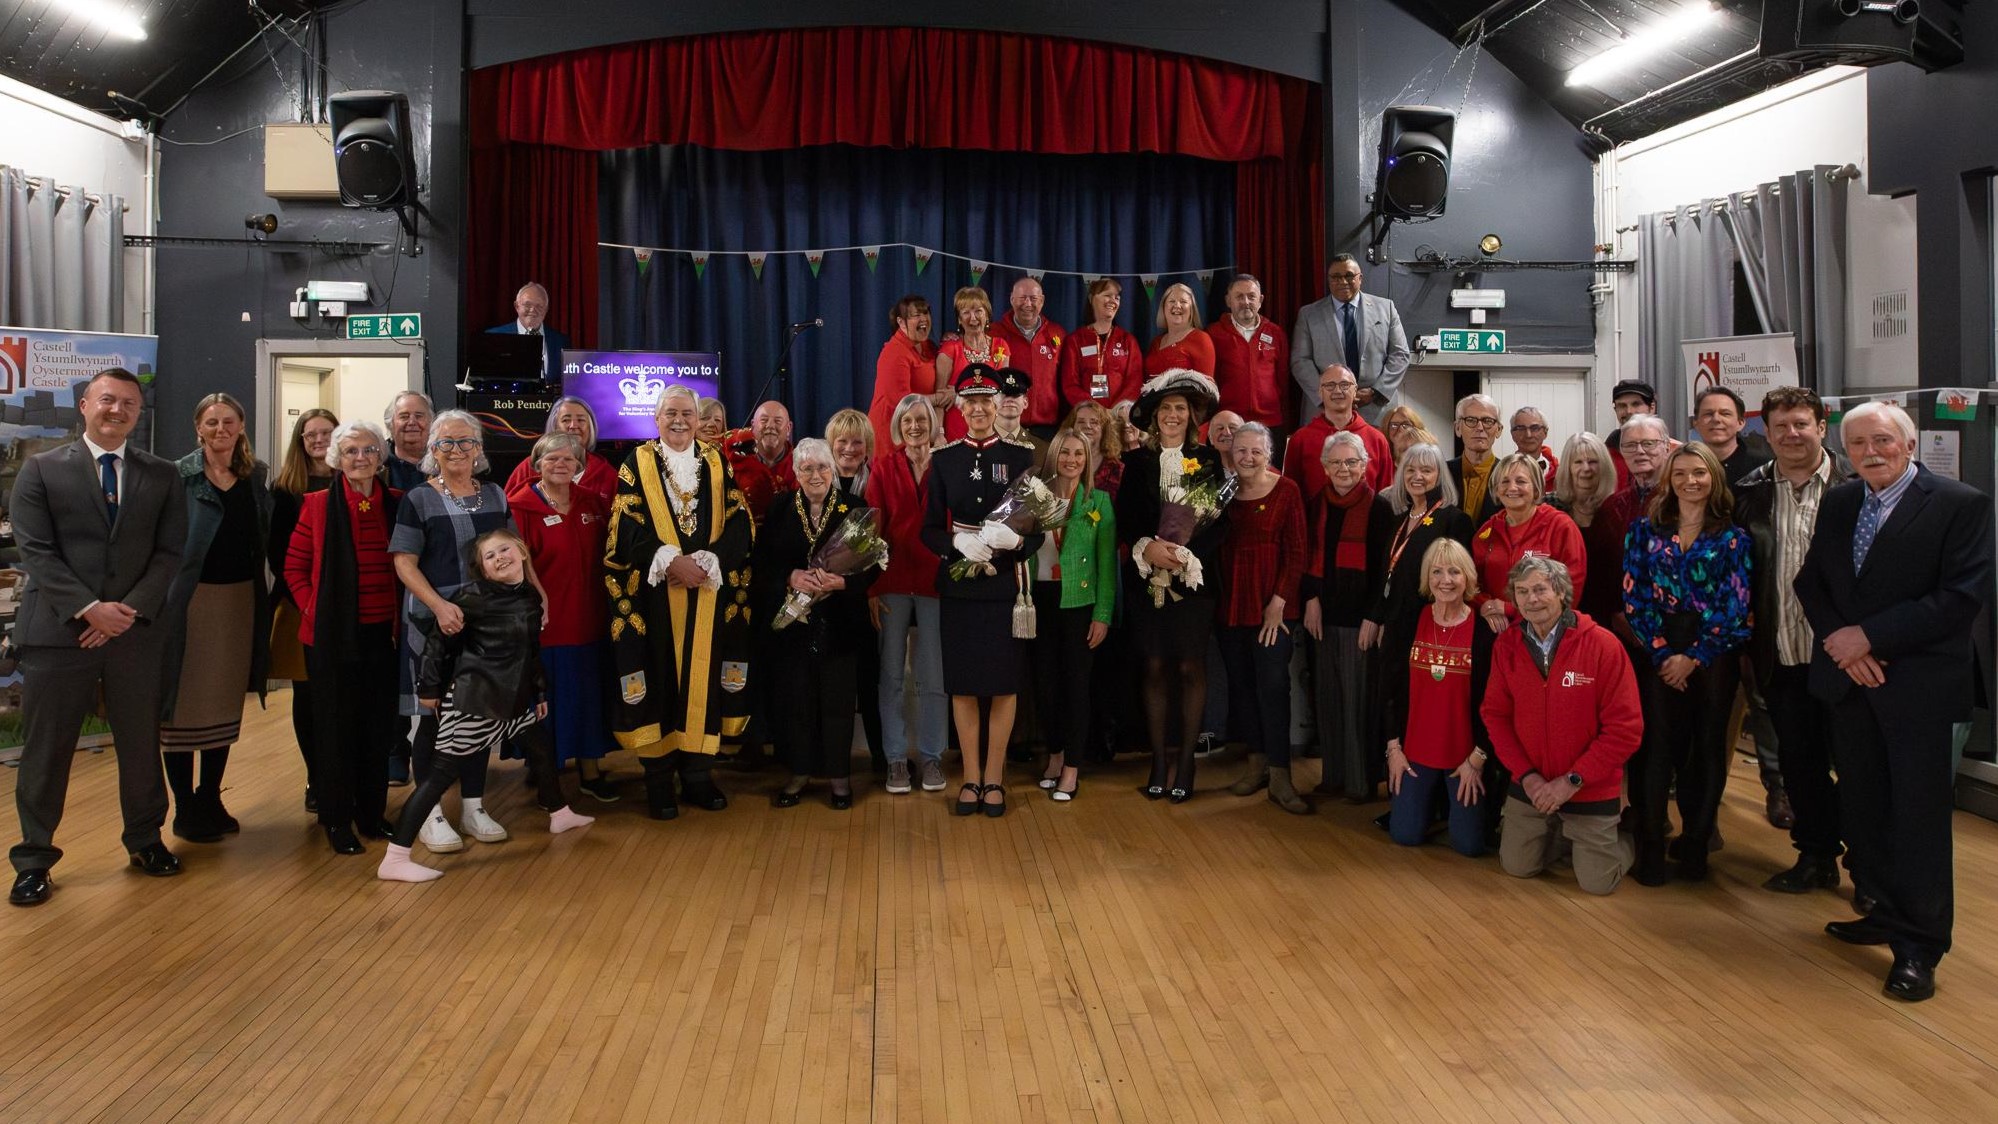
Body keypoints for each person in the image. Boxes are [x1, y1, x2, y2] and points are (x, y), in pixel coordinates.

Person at [1795, 401, 1993, 1002]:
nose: (1870, 451)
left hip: (1918, 689)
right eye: (1857, 443)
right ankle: (1880, 907)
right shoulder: (1841, 500)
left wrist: (1870, 637)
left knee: (1919, 820)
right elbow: (1811, 581)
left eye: (1881, 440)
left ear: (1909, 444)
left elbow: (1960, 598)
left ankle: (1918, 946)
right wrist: (1842, 643)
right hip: (1851, 682)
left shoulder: (1961, 504)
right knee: (1863, 807)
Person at [7, 369, 188, 906]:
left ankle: (145, 840)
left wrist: (123, 613)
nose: (118, 410)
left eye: (129, 404)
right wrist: (89, 611)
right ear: (84, 404)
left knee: (139, 744)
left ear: (139, 412)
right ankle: (34, 858)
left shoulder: (161, 475)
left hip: (133, 633)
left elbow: (169, 553)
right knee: (47, 749)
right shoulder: (40, 470)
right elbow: (35, 551)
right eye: (108, 400)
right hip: (60, 633)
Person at [378, 530, 593, 882]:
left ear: (522, 551)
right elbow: (437, 641)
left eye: (504, 549)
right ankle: (396, 858)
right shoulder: (472, 598)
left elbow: (529, 651)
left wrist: (538, 693)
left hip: (516, 701)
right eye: (490, 557)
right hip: (475, 701)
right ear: (484, 570)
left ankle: (559, 813)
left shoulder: (528, 596)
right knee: (437, 779)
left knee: (541, 748)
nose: (499, 559)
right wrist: (430, 687)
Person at [605, 384, 755, 820]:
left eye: (687, 413)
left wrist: (712, 560)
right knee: (659, 680)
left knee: (703, 682)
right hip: (656, 597)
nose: (679, 421)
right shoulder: (636, 463)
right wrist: (669, 561)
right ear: (655, 418)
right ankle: (657, 782)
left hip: (707, 592)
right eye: (670, 412)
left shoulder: (715, 462)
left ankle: (698, 777)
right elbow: (623, 526)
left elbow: (739, 518)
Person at [1733, 386, 1855, 895]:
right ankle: (1816, 856)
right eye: (1780, 426)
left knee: (1856, 767)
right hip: (1780, 652)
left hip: (1848, 657)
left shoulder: (1856, 484)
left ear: (1822, 427)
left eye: (1801, 424)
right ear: (1767, 432)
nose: (1791, 434)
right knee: (1800, 766)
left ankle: (1867, 870)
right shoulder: (1749, 492)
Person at [1622, 442, 1752, 885]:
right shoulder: (1645, 531)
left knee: (1707, 747)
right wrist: (1663, 653)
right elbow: (1634, 596)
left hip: (1714, 650)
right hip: (1658, 646)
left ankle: (1696, 844)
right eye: (1680, 474)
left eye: (1699, 473)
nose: (1689, 481)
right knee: (1656, 748)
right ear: (1668, 480)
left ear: (1713, 478)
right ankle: (1652, 846)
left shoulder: (1733, 536)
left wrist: (1694, 657)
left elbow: (1735, 605)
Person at [389, 410, 520, 854]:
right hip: (435, 622)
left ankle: (474, 806)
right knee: (434, 718)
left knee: (479, 714)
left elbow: (515, 555)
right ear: (433, 451)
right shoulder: (418, 499)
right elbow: (404, 562)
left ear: (479, 449)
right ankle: (430, 814)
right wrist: (440, 605)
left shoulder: (496, 495)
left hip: (486, 625)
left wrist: (535, 600)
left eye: (466, 443)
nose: (458, 451)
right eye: (447, 443)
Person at [920, 364, 1043, 817]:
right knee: (965, 687)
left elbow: (1038, 532)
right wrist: (956, 541)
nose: (977, 409)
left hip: (1004, 586)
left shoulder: (1020, 456)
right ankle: (970, 778)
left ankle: (995, 777)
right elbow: (929, 529)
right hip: (960, 584)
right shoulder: (944, 459)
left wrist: (1019, 542)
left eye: (985, 401)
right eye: (969, 401)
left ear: (997, 405)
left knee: (1004, 685)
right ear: (961, 407)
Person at [1481, 555, 1643, 895]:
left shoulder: (1603, 645)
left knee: (1597, 883)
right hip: (1533, 785)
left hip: (1587, 785)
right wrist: (1528, 776)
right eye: (1522, 592)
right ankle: (1562, 830)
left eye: (1540, 589)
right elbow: (1494, 715)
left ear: (1561, 592)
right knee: (1517, 867)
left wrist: (1571, 782)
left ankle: (1630, 837)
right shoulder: (1506, 646)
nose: (1531, 599)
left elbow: (1626, 730)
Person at [282, 420, 402, 856]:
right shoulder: (315, 505)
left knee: (377, 729)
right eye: (350, 451)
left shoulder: (396, 502)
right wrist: (313, 606)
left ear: (379, 456)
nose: (360, 458)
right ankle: (336, 819)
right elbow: (293, 567)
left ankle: (371, 814)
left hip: (383, 635)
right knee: (334, 730)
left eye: (368, 450)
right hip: (331, 639)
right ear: (337, 458)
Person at [158, 393, 273, 843]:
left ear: (241, 425)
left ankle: (210, 796)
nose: (220, 429)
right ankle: (185, 807)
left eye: (228, 421)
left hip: (239, 600)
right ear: (198, 428)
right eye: (211, 422)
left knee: (224, 704)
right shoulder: (177, 475)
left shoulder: (254, 475)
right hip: (190, 601)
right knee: (183, 707)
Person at [1116, 368, 1227, 803]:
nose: (1174, 415)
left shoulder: (1207, 461)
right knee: (1156, 667)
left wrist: (1184, 556)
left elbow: (1216, 524)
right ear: (1154, 417)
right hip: (1147, 579)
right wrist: (1148, 549)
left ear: (1191, 417)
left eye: (1181, 408)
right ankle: (1159, 761)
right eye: (1166, 409)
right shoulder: (1135, 463)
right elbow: (1127, 519)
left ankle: (1186, 765)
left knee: (1189, 667)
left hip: (1194, 580)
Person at [753, 440, 880, 809]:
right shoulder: (778, 509)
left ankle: (840, 778)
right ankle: (799, 772)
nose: (815, 475)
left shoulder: (853, 509)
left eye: (822, 468)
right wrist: (790, 577)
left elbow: (871, 565)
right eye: (806, 469)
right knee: (796, 702)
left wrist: (843, 583)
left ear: (833, 471)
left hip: (840, 624)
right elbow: (760, 565)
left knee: (838, 702)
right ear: (795, 474)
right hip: (792, 626)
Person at [506, 431, 618, 802]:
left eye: (568, 459)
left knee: (590, 697)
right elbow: (516, 564)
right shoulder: (520, 506)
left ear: (579, 466)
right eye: (551, 459)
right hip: (548, 625)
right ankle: (547, 773)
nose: (560, 465)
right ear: (537, 465)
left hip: (591, 619)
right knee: (548, 701)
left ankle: (591, 770)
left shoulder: (593, 502)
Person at [1217, 423, 1309, 813]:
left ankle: (1281, 776)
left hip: (1274, 609)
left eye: (1256, 451)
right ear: (1231, 454)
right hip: (1230, 605)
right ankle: (1255, 766)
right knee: (1242, 687)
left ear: (1268, 453)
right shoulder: (1222, 494)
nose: (1248, 458)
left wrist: (1280, 601)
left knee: (1273, 686)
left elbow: (1297, 551)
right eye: (1241, 451)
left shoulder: (1287, 491)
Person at [1299, 430, 1394, 801]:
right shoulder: (1313, 505)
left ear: (1365, 465)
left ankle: (1360, 782)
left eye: (1351, 462)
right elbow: (1304, 557)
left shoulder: (1380, 509)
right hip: (1322, 617)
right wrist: (1310, 598)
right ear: (1324, 467)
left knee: (1359, 704)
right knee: (1328, 700)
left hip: (1361, 622)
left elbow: (1388, 570)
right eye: (1336, 462)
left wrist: (1374, 616)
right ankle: (1333, 777)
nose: (1343, 469)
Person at [1384, 539, 1494, 855]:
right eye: (1437, 572)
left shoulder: (1483, 630)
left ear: (1468, 578)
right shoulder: (1409, 621)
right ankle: (1428, 807)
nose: (1445, 580)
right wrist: (1394, 749)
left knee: (1469, 845)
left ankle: (1448, 811)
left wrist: (1479, 758)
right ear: (1427, 578)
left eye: (1454, 572)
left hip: (1465, 757)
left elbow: (1493, 704)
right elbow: (1389, 690)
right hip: (1414, 753)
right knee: (1404, 835)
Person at [866, 394, 949, 796]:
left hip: (936, 584)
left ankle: (932, 757)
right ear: (897, 425)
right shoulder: (883, 467)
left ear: (932, 424)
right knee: (891, 678)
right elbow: (872, 532)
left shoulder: (947, 465)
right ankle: (897, 760)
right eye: (907, 420)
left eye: (921, 419)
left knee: (934, 677)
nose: (914, 426)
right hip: (892, 582)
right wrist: (870, 589)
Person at [1027, 428, 1116, 802]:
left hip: (1080, 604)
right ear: (1054, 457)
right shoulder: (1035, 498)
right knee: (1045, 687)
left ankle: (1072, 769)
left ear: (1087, 459)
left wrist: (1103, 614)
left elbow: (1107, 563)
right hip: (1040, 600)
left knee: (1076, 689)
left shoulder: (1099, 501)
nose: (1072, 460)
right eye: (1065, 452)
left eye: (1078, 454)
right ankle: (1055, 754)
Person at [268, 407, 338, 812]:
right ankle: (315, 778)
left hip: (346, 607)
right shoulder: (285, 488)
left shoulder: (353, 479)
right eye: (310, 434)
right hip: (301, 605)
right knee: (308, 696)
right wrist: (307, 601)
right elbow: (278, 554)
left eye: (326, 432)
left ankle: (341, 774)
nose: (318, 440)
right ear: (300, 440)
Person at [825, 408, 885, 773]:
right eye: (841, 441)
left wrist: (873, 589)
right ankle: (831, 762)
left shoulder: (875, 482)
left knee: (870, 681)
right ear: (830, 445)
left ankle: (881, 758)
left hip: (863, 596)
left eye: (857, 442)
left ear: (867, 447)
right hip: (825, 600)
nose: (849, 449)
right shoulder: (816, 480)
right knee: (833, 686)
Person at [1471, 453, 1587, 631]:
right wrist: (1486, 605)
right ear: (1495, 489)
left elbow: (1572, 586)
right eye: (1504, 481)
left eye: (1521, 481)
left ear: (1536, 488)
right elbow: (1471, 581)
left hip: (1547, 630)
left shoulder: (1560, 526)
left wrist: (1511, 609)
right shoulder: (1487, 532)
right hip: (1497, 630)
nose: (1512, 487)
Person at [1289, 253, 1409, 424]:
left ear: (1360, 278)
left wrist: (1375, 392)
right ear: (1328, 280)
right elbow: (1300, 361)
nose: (1343, 282)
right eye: (1336, 277)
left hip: (1375, 409)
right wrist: (1329, 395)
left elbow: (1400, 354)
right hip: (1325, 410)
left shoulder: (1386, 309)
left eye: (1349, 276)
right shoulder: (1309, 314)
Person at [1547, 432, 1626, 635]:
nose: (1586, 469)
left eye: (1593, 462)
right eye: (1578, 462)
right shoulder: (1550, 509)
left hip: (1613, 617)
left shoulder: (1619, 508)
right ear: (1568, 468)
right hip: (1561, 616)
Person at [1281, 365, 1393, 502]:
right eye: (1330, 386)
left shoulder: (1377, 440)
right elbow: (1291, 496)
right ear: (1320, 392)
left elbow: (1386, 496)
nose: (1338, 391)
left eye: (1345, 385)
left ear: (1355, 391)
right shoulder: (1300, 440)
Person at [1207, 273, 1290, 435]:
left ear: (1260, 300)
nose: (1246, 302)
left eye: (1251, 297)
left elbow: (1283, 379)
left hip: (1270, 422)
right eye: (1239, 297)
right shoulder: (1213, 334)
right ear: (1228, 301)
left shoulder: (1276, 333)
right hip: (1228, 424)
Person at [503, 396, 619, 507]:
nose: (574, 426)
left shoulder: (607, 475)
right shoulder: (529, 468)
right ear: (555, 426)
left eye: (581, 420)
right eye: (566, 420)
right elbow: (506, 516)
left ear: (591, 428)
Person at [870, 295, 948, 448]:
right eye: (916, 315)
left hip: (915, 432)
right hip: (891, 436)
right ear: (901, 322)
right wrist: (939, 398)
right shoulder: (894, 352)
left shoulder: (928, 346)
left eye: (926, 313)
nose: (924, 318)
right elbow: (901, 401)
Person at [992, 276, 1066, 435]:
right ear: (1012, 299)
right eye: (1022, 298)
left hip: (1047, 427)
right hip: (1004, 424)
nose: (1027, 304)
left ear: (1042, 300)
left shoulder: (1058, 334)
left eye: (1033, 298)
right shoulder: (993, 333)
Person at [1058, 278, 1144, 414]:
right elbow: (1070, 384)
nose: (1113, 301)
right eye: (1107, 295)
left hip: (1119, 416)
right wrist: (1094, 409)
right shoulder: (1075, 340)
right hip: (1087, 416)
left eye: (1117, 297)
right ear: (1092, 299)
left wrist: (1116, 410)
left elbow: (1134, 381)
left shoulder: (1128, 340)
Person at [936, 286, 1012, 426]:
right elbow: (940, 398)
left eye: (978, 311)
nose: (973, 318)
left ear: (987, 315)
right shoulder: (950, 349)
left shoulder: (1001, 346)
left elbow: (1002, 391)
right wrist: (939, 433)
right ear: (959, 319)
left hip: (991, 427)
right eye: (966, 312)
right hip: (956, 428)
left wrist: (960, 391)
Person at [485, 281, 570, 380]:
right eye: (527, 304)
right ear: (517, 306)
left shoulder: (561, 341)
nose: (533, 310)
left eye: (539, 306)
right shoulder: (494, 337)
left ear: (546, 309)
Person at [1694, 385, 1771, 486]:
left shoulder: (1764, 469)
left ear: (1740, 423)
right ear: (1696, 423)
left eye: (1725, 413)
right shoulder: (1684, 467)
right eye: (1708, 414)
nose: (1716, 419)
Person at [1447, 394, 1503, 525]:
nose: (1479, 427)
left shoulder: (1508, 475)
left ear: (1499, 430)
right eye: (1471, 420)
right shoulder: (1440, 474)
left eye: (1488, 421)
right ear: (1457, 428)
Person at [1146, 282, 1216, 377]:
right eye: (1172, 301)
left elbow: (1206, 387)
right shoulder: (1156, 342)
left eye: (1183, 301)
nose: (1177, 306)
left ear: (1192, 309)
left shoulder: (1201, 339)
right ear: (1163, 308)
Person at [1063, 399, 1124, 497]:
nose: (1087, 426)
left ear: (1104, 429)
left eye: (1094, 422)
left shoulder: (1118, 469)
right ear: (1072, 427)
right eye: (1081, 421)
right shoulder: (1061, 463)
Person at [1605, 378, 1657, 487]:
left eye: (1636, 404)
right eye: (1622, 405)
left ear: (1652, 407)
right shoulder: (1607, 451)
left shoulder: (1672, 450)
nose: (1629, 411)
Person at [381, 391, 433, 492]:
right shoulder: (377, 465)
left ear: (431, 423)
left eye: (419, 416)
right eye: (404, 416)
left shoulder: (443, 463)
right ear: (390, 424)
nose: (412, 422)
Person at [749, 400, 798, 492]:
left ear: (788, 429)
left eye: (777, 421)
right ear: (753, 426)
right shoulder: (738, 461)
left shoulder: (800, 464)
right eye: (764, 420)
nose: (770, 425)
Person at [994, 379, 1047, 462]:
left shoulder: (1042, 448)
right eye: (1003, 395)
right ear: (992, 402)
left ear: (1025, 402)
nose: (1009, 400)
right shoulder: (977, 443)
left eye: (1015, 395)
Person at [1509, 407, 1558, 490]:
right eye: (1521, 428)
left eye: (1535, 428)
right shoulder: (1502, 473)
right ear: (1512, 434)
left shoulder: (1559, 473)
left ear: (1545, 432)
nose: (1528, 435)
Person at [1206, 410, 1244, 474]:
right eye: (1220, 428)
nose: (1227, 433)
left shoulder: (1257, 469)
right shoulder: (1200, 471)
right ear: (1210, 438)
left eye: (1232, 427)